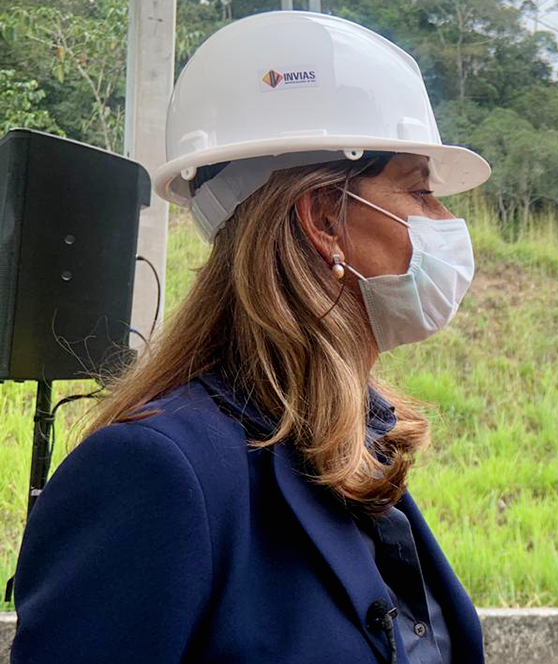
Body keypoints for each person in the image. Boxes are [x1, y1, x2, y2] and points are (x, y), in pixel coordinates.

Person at [11, 12, 490, 664]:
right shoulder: (155, 476)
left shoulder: (352, 440)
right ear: (324, 218)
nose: (444, 222)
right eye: (420, 191)